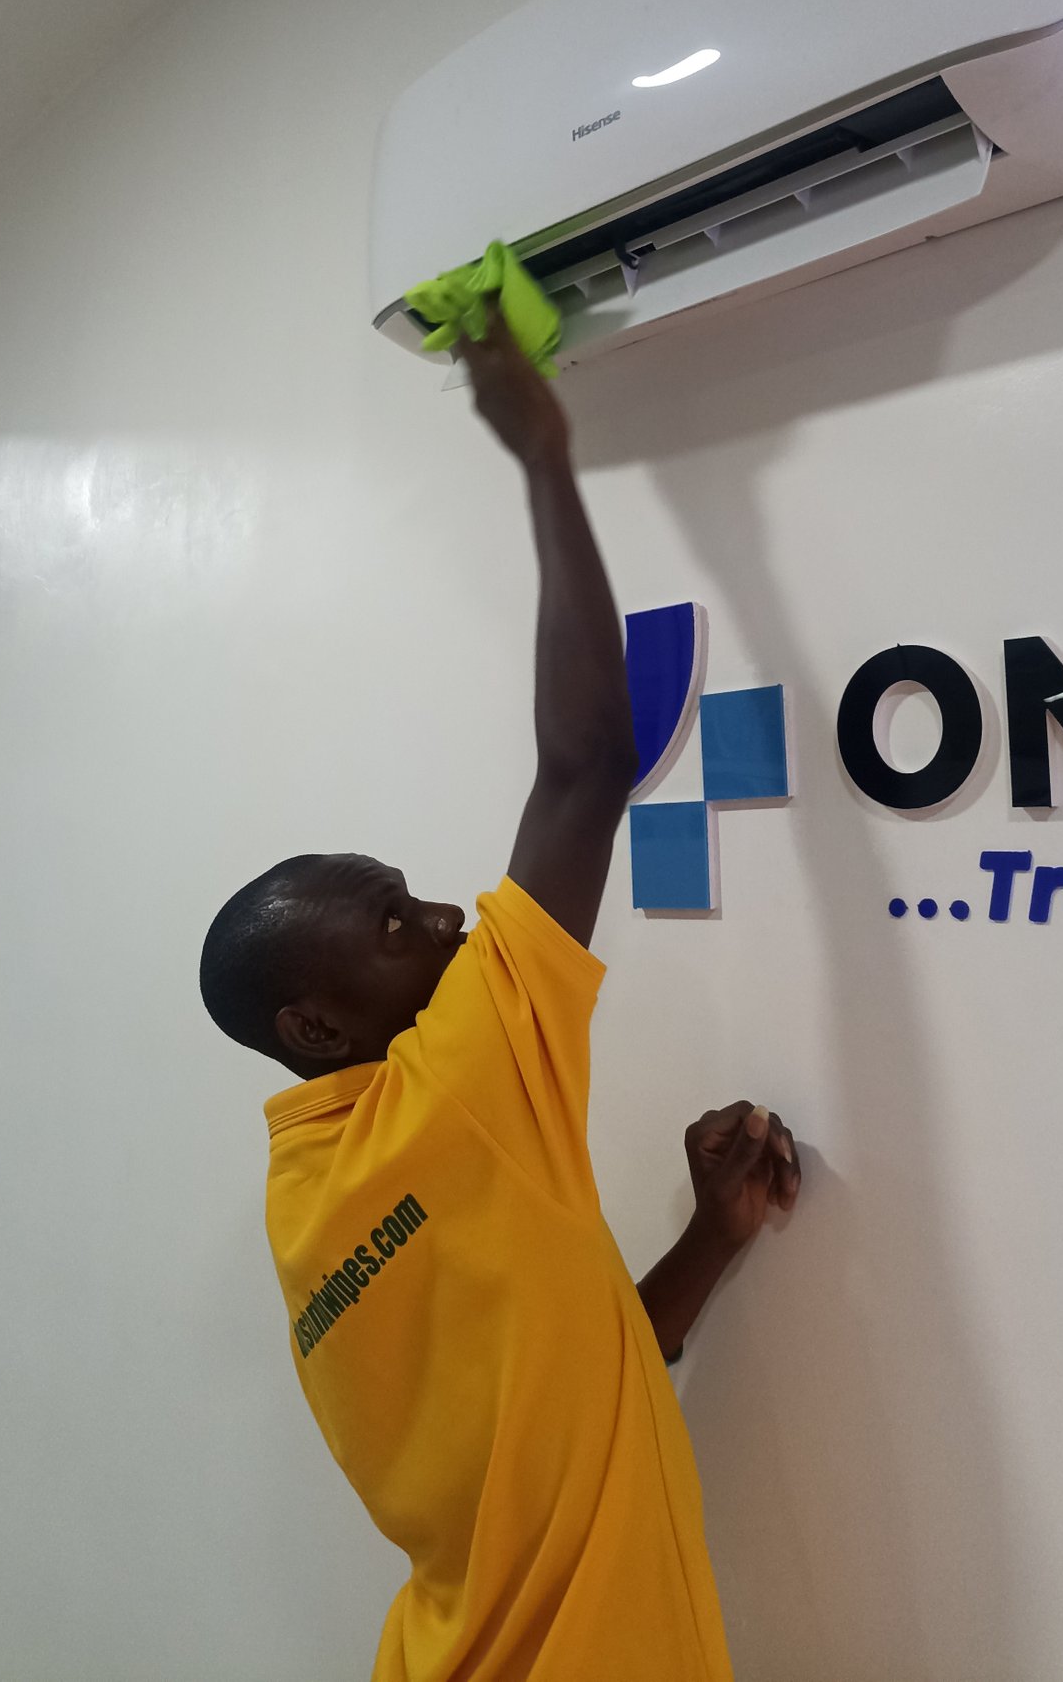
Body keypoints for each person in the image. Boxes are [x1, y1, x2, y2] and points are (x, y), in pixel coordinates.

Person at [200, 311, 800, 1681]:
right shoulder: (458, 1088)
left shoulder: (313, 1202)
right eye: (394, 923)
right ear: (317, 1026)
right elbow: (590, 763)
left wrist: (710, 1237)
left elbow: (569, 1383)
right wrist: (543, 455)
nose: (447, 919)